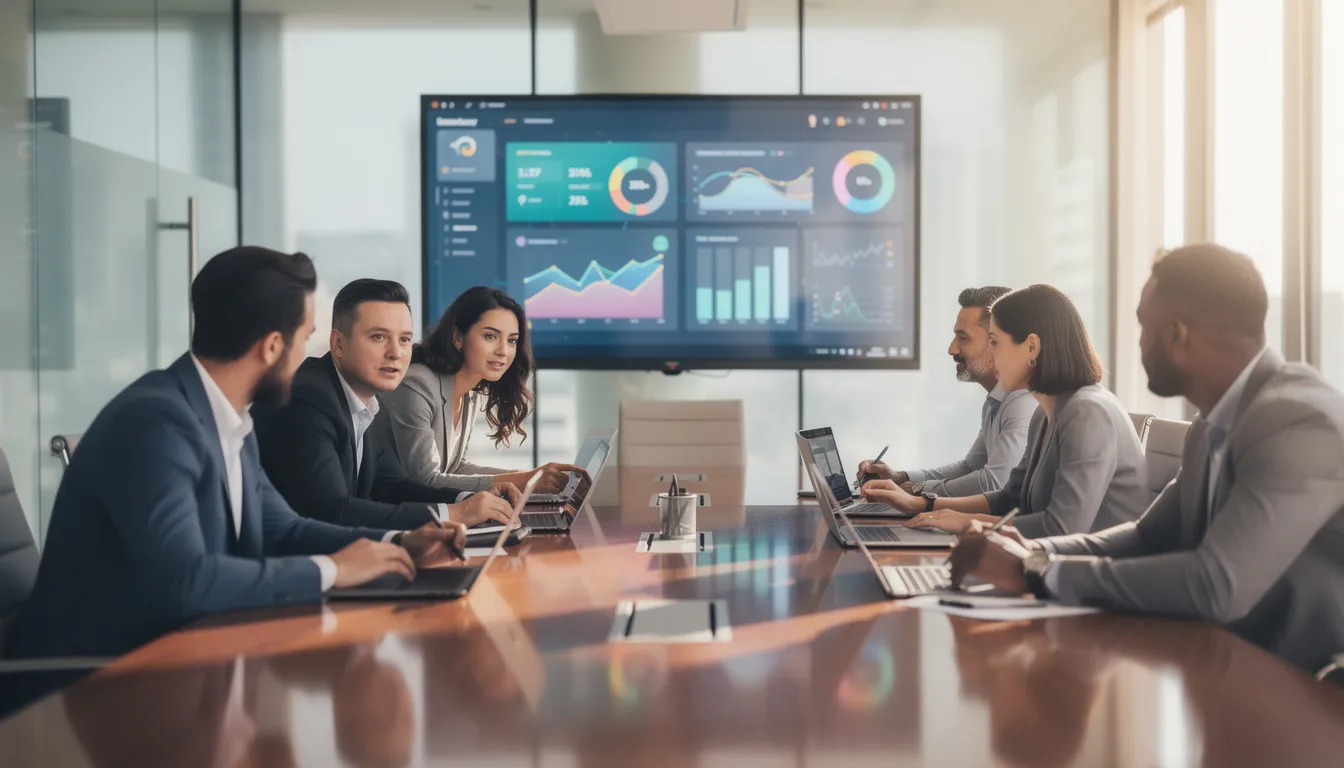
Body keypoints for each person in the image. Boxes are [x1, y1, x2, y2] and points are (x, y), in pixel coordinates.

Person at [12, 248, 467, 659]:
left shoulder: (229, 419)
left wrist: (396, 545)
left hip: (189, 656)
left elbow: (282, 529)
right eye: (305, 337)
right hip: (90, 682)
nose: (308, 357)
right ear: (272, 346)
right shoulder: (155, 423)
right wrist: (331, 570)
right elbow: (185, 582)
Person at [950, 244, 1344, 675]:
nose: (1138, 342)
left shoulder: (1298, 421)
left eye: (1142, 325)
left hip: (1305, 689)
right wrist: (1025, 549)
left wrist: (1034, 569)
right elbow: (1146, 536)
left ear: (1177, 336)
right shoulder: (1212, 423)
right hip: (1225, 664)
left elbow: (1215, 583)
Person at [862, 284, 1150, 538]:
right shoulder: (1044, 414)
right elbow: (1009, 498)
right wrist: (922, 504)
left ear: (1031, 347)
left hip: (1091, 573)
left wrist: (965, 522)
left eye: (995, 342)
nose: (991, 353)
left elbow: (1061, 529)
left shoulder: (1087, 412)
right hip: (1055, 564)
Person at [252, 279, 520, 531]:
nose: (396, 353)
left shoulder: (370, 400)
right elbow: (331, 512)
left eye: (404, 339)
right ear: (338, 344)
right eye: (379, 337)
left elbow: (392, 486)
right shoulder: (308, 399)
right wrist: (455, 514)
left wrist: (468, 499)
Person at [382, 286, 584, 495]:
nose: (503, 351)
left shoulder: (470, 393)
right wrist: (524, 480)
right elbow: (425, 479)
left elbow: (455, 467)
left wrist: (522, 477)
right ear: (458, 337)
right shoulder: (416, 385)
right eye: (490, 336)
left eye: (512, 340)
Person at [856, 286, 1037, 495]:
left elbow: (995, 482)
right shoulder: (996, 401)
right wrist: (900, 478)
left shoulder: (1022, 402)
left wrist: (915, 490)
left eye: (963, 338)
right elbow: (969, 468)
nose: (952, 349)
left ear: (998, 342)